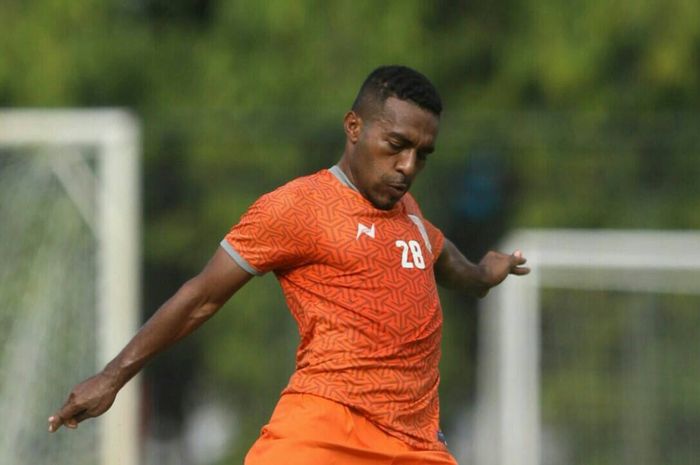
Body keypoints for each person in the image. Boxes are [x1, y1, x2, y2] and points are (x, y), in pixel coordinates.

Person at [48, 65, 529, 464]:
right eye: (396, 144)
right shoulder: (298, 207)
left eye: (422, 154)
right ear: (354, 127)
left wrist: (487, 272)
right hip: (324, 432)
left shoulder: (411, 219)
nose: (407, 166)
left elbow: (450, 264)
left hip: (415, 446)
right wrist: (111, 378)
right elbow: (201, 297)